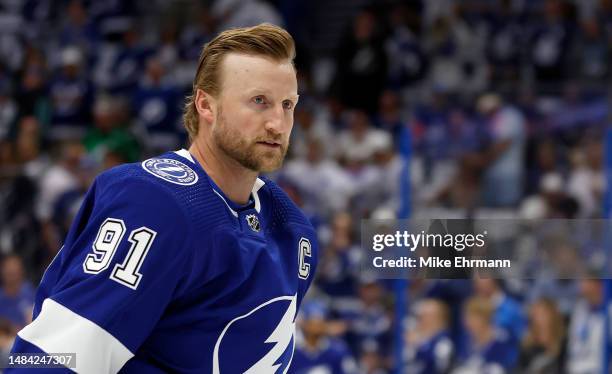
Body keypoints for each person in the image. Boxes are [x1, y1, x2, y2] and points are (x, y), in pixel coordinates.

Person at [9, 23, 318, 373]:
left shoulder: (294, 232)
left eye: (288, 104)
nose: (278, 123)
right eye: (259, 101)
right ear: (206, 104)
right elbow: (50, 359)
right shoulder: (153, 203)